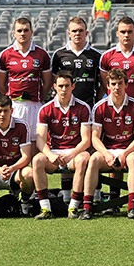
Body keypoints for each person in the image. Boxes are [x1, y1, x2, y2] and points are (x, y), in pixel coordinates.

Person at [83, 68, 134, 219]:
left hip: (129, 149)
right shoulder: (99, 107)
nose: (117, 87)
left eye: (120, 83)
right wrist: (106, 154)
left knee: (132, 160)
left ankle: (132, 207)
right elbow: (95, 138)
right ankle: (87, 207)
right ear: (108, 85)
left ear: (126, 85)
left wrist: (124, 153)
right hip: (108, 149)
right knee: (93, 160)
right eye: (113, 84)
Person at [32, 71, 93, 219]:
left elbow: (86, 140)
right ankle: (45, 209)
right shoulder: (45, 109)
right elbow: (40, 140)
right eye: (60, 86)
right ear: (54, 87)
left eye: (67, 86)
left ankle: (73, 207)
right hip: (54, 152)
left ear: (73, 86)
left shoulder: (83, 107)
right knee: (37, 160)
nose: (64, 89)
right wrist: (50, 155)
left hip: (74, 152)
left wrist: (69, 155)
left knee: (83, 159)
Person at [0, 18, 52, 146]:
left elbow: (48, 83)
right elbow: (1, 84)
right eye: (19, 30)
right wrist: (8, 101)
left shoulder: (42, 54)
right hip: (14, 106)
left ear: (31, 32)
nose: (23, 33)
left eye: (26, 30)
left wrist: (39, 98)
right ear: (14, 33)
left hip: (34, 106)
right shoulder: (6, 54)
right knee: (13, 143)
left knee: (35, 143)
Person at [51, 17, 102, 107]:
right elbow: (52, 80)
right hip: (66, 106)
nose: (77, 33)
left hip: (89, 105)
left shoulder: (97, 55)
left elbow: (104, 84)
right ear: (69, 33)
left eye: (81, 30)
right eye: (74, 31)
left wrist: (97, 100)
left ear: (86, 33)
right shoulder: (59, 54)